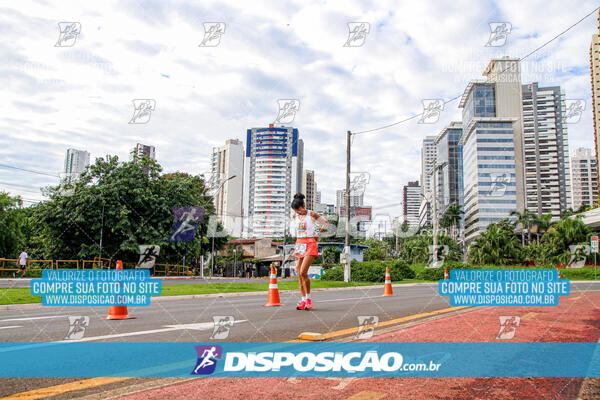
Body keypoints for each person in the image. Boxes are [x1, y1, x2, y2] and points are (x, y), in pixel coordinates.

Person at [291, 193, 328, 310]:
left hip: (310, 243)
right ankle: (303, 301)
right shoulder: (295, 216)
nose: (298, 213)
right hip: (299, 244)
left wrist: (318, 233)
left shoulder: (311, 214)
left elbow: (326, 222)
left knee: (303, 272)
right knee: (300, 275)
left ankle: (308, 299)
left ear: (304, 206)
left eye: (299, 210)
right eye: (296, 211)